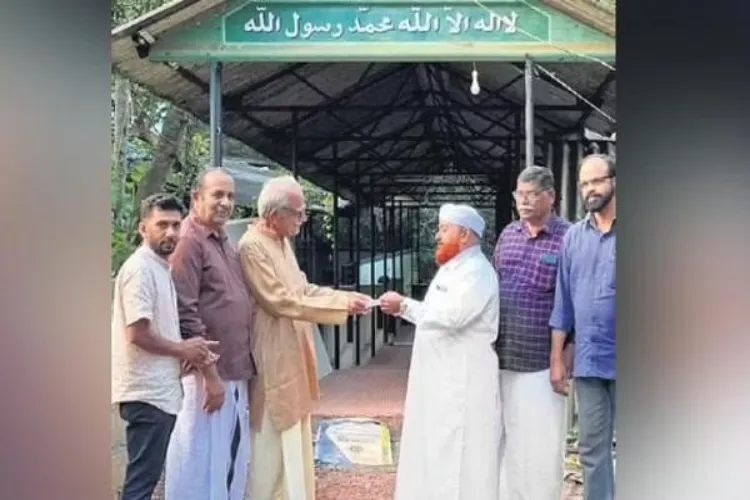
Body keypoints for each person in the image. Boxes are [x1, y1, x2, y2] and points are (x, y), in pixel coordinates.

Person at [237, 176, 371, 500]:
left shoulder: (282, 242)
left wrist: (345, 299)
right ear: (274, 215)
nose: (303, 219)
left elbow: (303, 289)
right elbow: (279, 300)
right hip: (272, 353)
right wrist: (338, 308)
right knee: (270, 444)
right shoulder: (251, 246)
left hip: (295, 351)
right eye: (298, 213)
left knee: (296, 443)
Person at [380, 203, 501, 500]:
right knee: (435, 453)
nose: (437, 235)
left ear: (463, 234)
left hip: (462, 386)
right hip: (440, 383)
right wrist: (403, 309)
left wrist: (405, 306)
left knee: (459, 459)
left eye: (444, 229)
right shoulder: (452, 269)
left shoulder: (477, 271)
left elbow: (452, 316)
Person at [112, 193, 219, 500]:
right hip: (146, 394)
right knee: (141, 485)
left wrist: (186, 351)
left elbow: (156, 331)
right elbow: (138, 334)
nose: (171, 232)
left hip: (159, 392)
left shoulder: (160, 267)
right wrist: (183, 350)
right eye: (162, 225)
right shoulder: (140, 269)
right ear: (142, 228)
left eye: (175, 225)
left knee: (144, 479)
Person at [164, 169, 257, 500]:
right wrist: (211, 375)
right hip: (208, 378)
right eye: (217, 195)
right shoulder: (189, 241)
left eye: (230, 196)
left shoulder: (221, 241)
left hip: (232, 370)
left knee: (225, 461)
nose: (225, 203)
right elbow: (184, 311)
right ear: (196, 198)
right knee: (198, 462)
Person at [492, 166, 572, 500]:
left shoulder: (569, 238)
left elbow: (575, 304)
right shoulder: (508, 234)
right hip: (501, 357)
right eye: (519, 195)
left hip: (542, 362)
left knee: (540, 446)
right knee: (505, 440)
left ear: (551, 196)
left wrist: (564, 358)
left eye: (531, 195)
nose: (523, 202)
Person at [549, 154, 617, 500]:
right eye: (584, 184)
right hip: (590, 361)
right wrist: (557, 358)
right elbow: (563, 303)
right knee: (591, 448)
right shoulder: (574, 238)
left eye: (597, 181)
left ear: (615, 181)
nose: (590, 189)